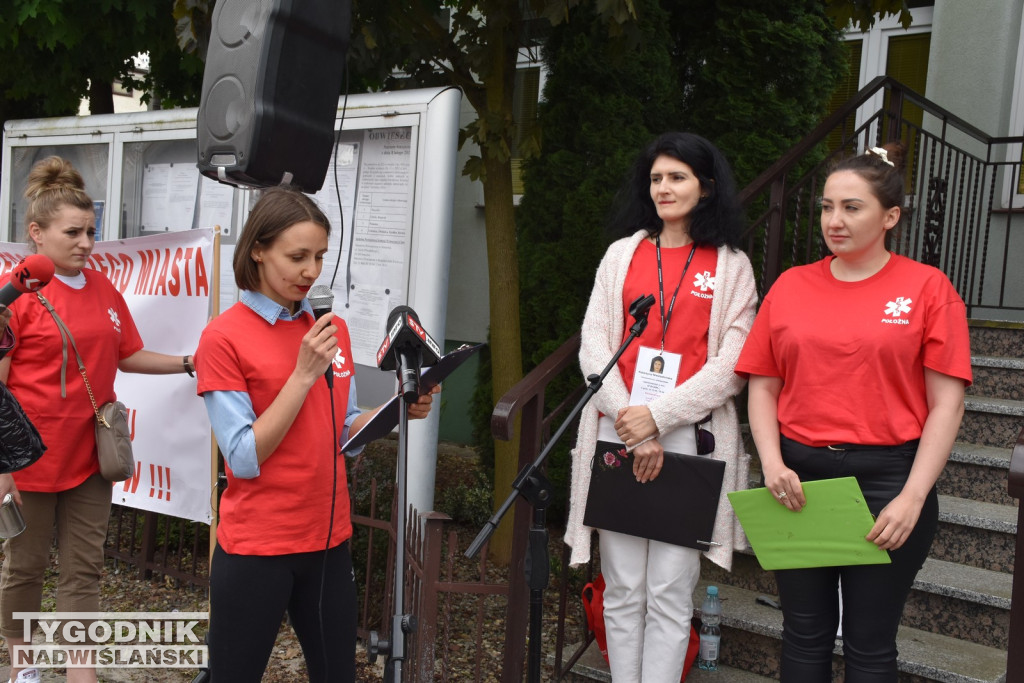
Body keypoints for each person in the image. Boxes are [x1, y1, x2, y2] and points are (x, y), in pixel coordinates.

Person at [735, 143, 972, 681]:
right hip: (796, 481)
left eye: (851, 207)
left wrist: (912, 497)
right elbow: (763, 387)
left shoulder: (927, 289)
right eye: (826, 207)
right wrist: (771, 464)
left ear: (890, 216)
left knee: (868, 645)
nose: (833, 221)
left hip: (888, 482)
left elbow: (947, 404)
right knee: (802, 635)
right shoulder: (793, 285)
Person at [194, 186, 438, 682]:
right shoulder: (222, 337)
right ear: (257, 250)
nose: (310, 271)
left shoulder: (332, 330)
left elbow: (343, 428)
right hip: (258, 548)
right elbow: (242, 456)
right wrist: (302, 374)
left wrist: (397, 409)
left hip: (327, 541)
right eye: (297, 256)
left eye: (321, 256)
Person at [564, 131, 758, 681]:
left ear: (707, 186)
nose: (664, 188)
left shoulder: (730, 265)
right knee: (622, 587)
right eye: (656, 179)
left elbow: (731, 365)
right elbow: (595, 347)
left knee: (671, 592)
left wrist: (659, 418)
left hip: (690, 437)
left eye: (677, 177)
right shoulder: (621, 254)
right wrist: (635, 423)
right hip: (619, 428)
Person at [0, 157, 197, 683]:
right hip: (29, 462)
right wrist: (1, 468)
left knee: (84, 569)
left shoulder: (105, 290)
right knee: (25, 568)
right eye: (74, 232)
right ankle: (22, 666)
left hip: (90, 457)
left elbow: (127, 352)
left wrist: (186, 363)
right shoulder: (14, 296)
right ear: (36, 234)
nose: (87, 243)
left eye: (91, 231)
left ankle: (79, 673)